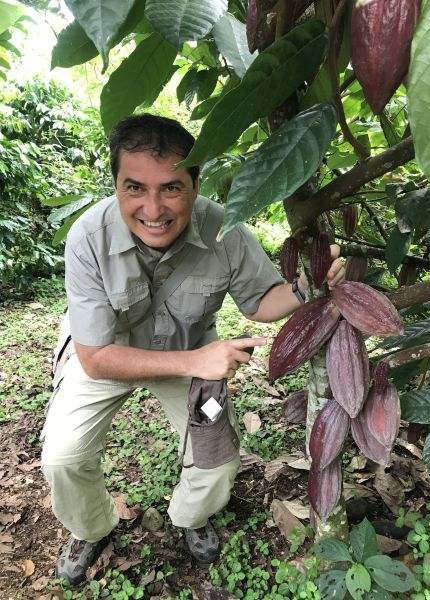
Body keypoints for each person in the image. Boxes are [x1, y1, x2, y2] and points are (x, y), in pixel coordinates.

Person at [40, 114, 345, 585]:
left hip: (190, 353)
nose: (154, 208)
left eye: (172, 188)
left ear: (196, 183)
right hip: (107, 355)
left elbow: (261, 303)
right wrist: (199, 361)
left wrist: (310, 285)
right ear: (116, 185)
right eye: (135, 188)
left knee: (217, 460)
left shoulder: (226, 230)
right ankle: (90, 528)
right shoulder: (88, 237)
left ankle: (191, 517)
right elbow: (95, 358)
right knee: (63, 456)